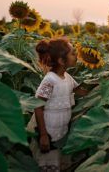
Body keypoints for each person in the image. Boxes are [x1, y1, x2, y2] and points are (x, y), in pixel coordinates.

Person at [27, 37, 89, 172]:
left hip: (61, 130)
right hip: (47, 131)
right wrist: (43, 135)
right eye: (73, 53)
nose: (76, 55)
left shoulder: (67, 77)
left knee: (58, 162)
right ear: (61, 61)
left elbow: (81, 91)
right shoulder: (50, 80)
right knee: (48, 164)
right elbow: (38, 106)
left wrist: (102, 86)